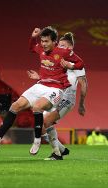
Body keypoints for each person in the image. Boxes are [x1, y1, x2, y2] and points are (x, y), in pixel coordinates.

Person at [0, 26, 84, 160]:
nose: (43, 44)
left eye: (46, 41)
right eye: (42, 41)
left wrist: (71, 66)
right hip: (40, 85)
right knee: (15, 106)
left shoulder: (63, 52)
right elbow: (31, 48)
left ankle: (37, 141)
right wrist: (33, 37)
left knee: (37, 107)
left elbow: (80, 63)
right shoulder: (41, 49)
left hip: (55, 89)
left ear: (54, 42)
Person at [27, 32, 88, 160]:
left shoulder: (74, 63)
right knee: (41, 126)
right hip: (55, 95)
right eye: (59, 44)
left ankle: (57, 154)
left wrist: (82, 104)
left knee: (47, 120)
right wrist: (39, 77)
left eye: (62, 45)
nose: (59, 47)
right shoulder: (57, 59)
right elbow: (51, 77)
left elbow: (83, 84)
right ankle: (61, 149)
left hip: (66, 98)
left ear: (70, 48)